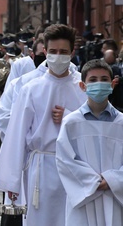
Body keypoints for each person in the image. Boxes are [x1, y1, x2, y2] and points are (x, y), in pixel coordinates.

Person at [0, 24, 87, 226]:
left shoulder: (82, 86)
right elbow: (16, 135)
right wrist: (12, 179)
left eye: (63, 52)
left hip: (76, 169)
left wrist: (69, 118)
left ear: (72, 52)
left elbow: (93, 127)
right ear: (44, 51)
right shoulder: (30, 88)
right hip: (41, 168)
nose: (57, 56)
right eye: (53, 52)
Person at [56, 59, 123, 225]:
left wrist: (113, 181)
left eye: (104, 79)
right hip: (82, 200)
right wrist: (92, 183)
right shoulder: (71, 122)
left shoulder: (121, 123)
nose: (99, 84)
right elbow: (65, 160)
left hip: (114, 196)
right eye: (93, 80)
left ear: (113, 84)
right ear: (82, 86)